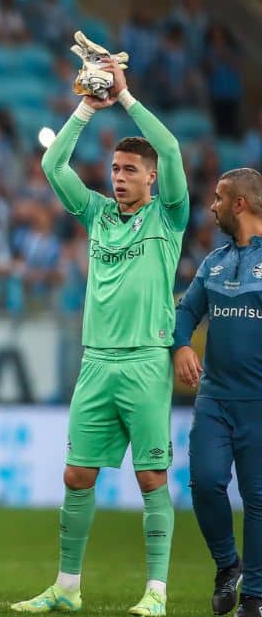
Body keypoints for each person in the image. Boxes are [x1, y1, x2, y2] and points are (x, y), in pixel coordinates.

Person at [13, 59, 187, 616]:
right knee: (76, 473)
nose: (118, 176)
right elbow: (52, 162)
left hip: (145, 361)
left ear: (151, 177)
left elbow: (175, 149)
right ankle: (66, 587)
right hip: (96, 363)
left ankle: (156, 593)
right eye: (115, 168)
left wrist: (127, 96)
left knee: (151, 474)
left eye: (130, 169)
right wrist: (89, 105)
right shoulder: (98, 214)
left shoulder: (170, 216)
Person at [173, 168, 262, 617]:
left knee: (259, 499)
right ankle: (228, 565)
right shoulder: (214, 261)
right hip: (214, 399)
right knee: (205, 484)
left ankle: (255, 597)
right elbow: (186, 312)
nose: (211, 206)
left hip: (259, 404)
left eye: (219, 198)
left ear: (240, 205)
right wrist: (182, 344)